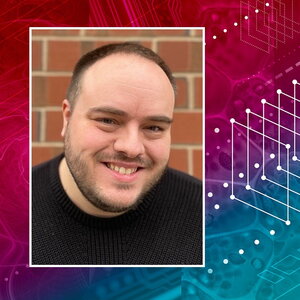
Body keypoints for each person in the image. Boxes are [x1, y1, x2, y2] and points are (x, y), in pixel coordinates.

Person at [32, 42, 202, 265]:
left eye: (154, 127)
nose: (131, 148)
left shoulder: (211, 218)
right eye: (107, 121)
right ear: (67, 118)